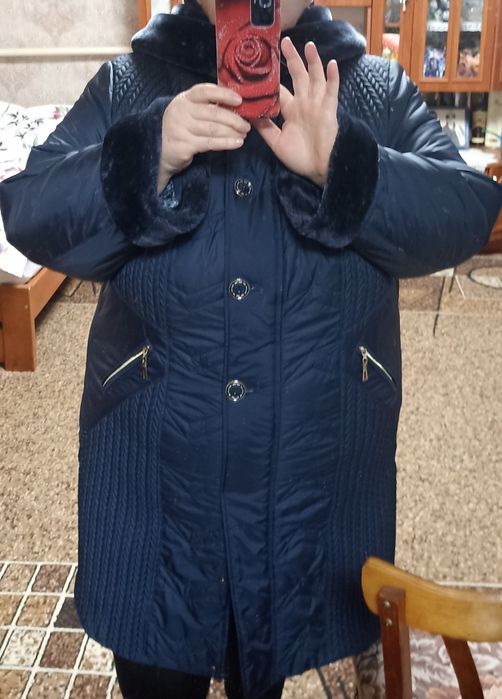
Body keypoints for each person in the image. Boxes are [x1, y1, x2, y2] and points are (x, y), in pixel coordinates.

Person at [1, 0, 502, 697]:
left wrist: (343, 164)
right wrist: (150, 150)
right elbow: (30, 210)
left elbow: (466, 211)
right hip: (153, 476)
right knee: (155, 664)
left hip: (312, 473)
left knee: (266, 654)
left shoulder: (371, 89)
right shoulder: (130, 84)